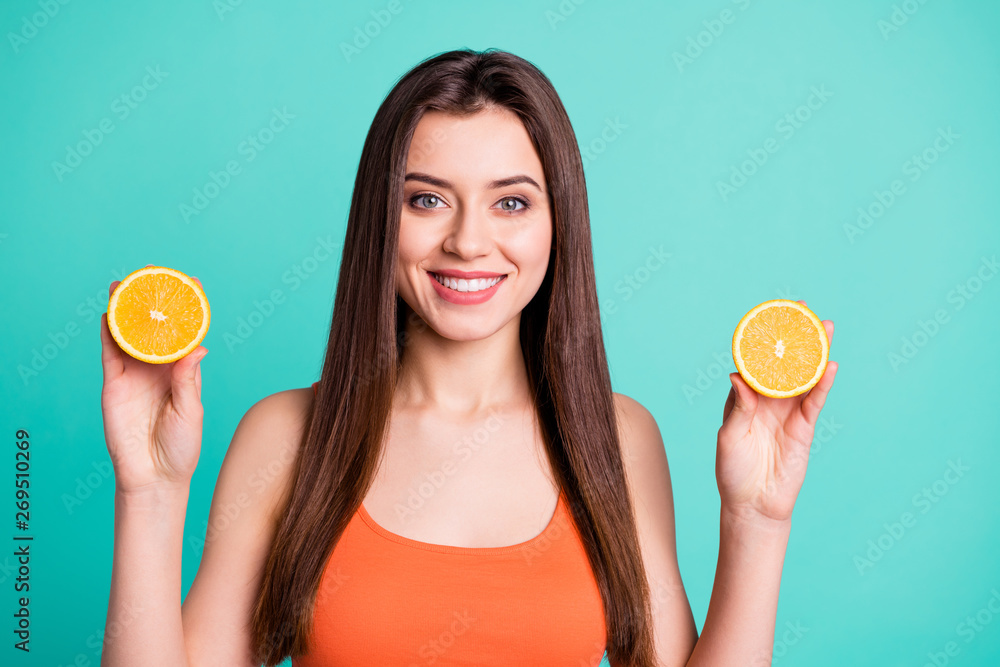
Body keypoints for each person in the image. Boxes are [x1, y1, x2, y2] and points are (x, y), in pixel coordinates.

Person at [98, 48, 838, 667]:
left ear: (560, 220)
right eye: (427, 200)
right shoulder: (287, 433)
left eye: (511, 202)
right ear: (380, 218)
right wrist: (150, 492)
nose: (468, 242)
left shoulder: (617, 438)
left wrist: (757, 520)